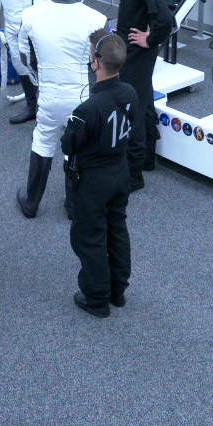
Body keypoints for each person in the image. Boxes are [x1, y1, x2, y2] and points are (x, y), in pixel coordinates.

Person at [15, 0, 106, 218]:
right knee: (76, 146)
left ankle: (31, 202)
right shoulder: (97, 19)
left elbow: (24, 58)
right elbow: (104, 63)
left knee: (42, 141)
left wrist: (38, 80)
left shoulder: (30, 15)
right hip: (81, 98)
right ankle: (73, 206)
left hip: (48, 94)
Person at [61, 30, 138, 318]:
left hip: (93, 180)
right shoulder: (130, 93)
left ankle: (96, 298)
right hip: (120, 172)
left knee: (89, 237)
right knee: (117, 230)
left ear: (95, 60)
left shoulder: (86, 109)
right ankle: (117, 291)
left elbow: (69, 144)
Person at [114, 0, 173, 192]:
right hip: (130, 44)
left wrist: (149, 39)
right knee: (145, 98)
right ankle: (149, 157)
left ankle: (134, 174)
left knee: (133, 107)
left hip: (138, 50)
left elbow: (164, 19)